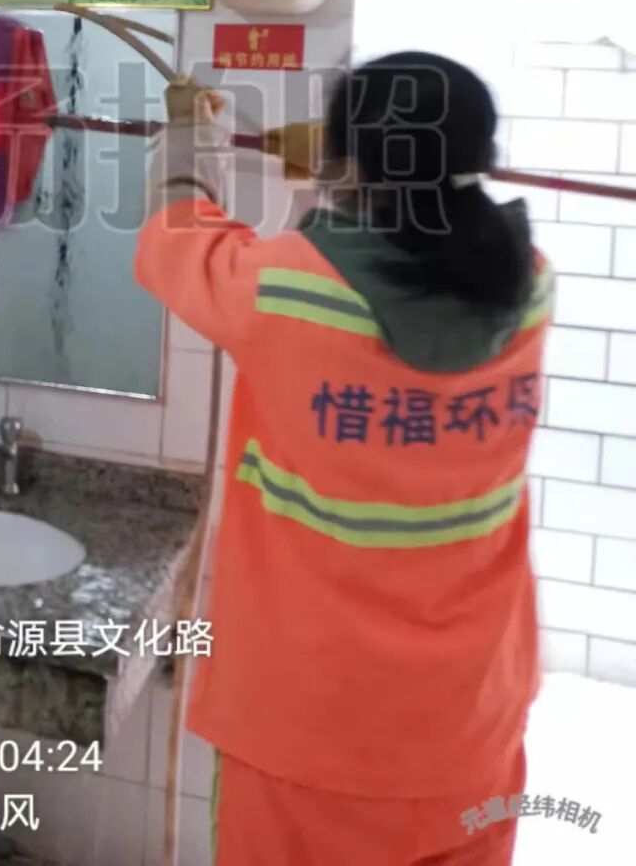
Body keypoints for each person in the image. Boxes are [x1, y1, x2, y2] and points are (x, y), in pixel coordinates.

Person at [135, 51, 551, 866]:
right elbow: (401, 257)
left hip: (306, 728)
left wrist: (189, 139)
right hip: (469, 720)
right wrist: (340, 181)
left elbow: (175, 234)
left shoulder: (284, 288)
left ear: (352, 161)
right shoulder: (528, 284)